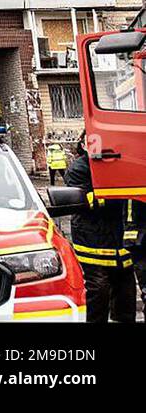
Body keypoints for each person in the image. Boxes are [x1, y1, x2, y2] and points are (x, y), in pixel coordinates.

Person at [65, 133, 137, 322]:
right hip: (93, 241)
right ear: (83, 145)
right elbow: (89, 201)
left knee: (126, 294)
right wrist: (121, 193)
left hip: (121, 243)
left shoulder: (118, 166)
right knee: (98, 291)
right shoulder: (79, 168)